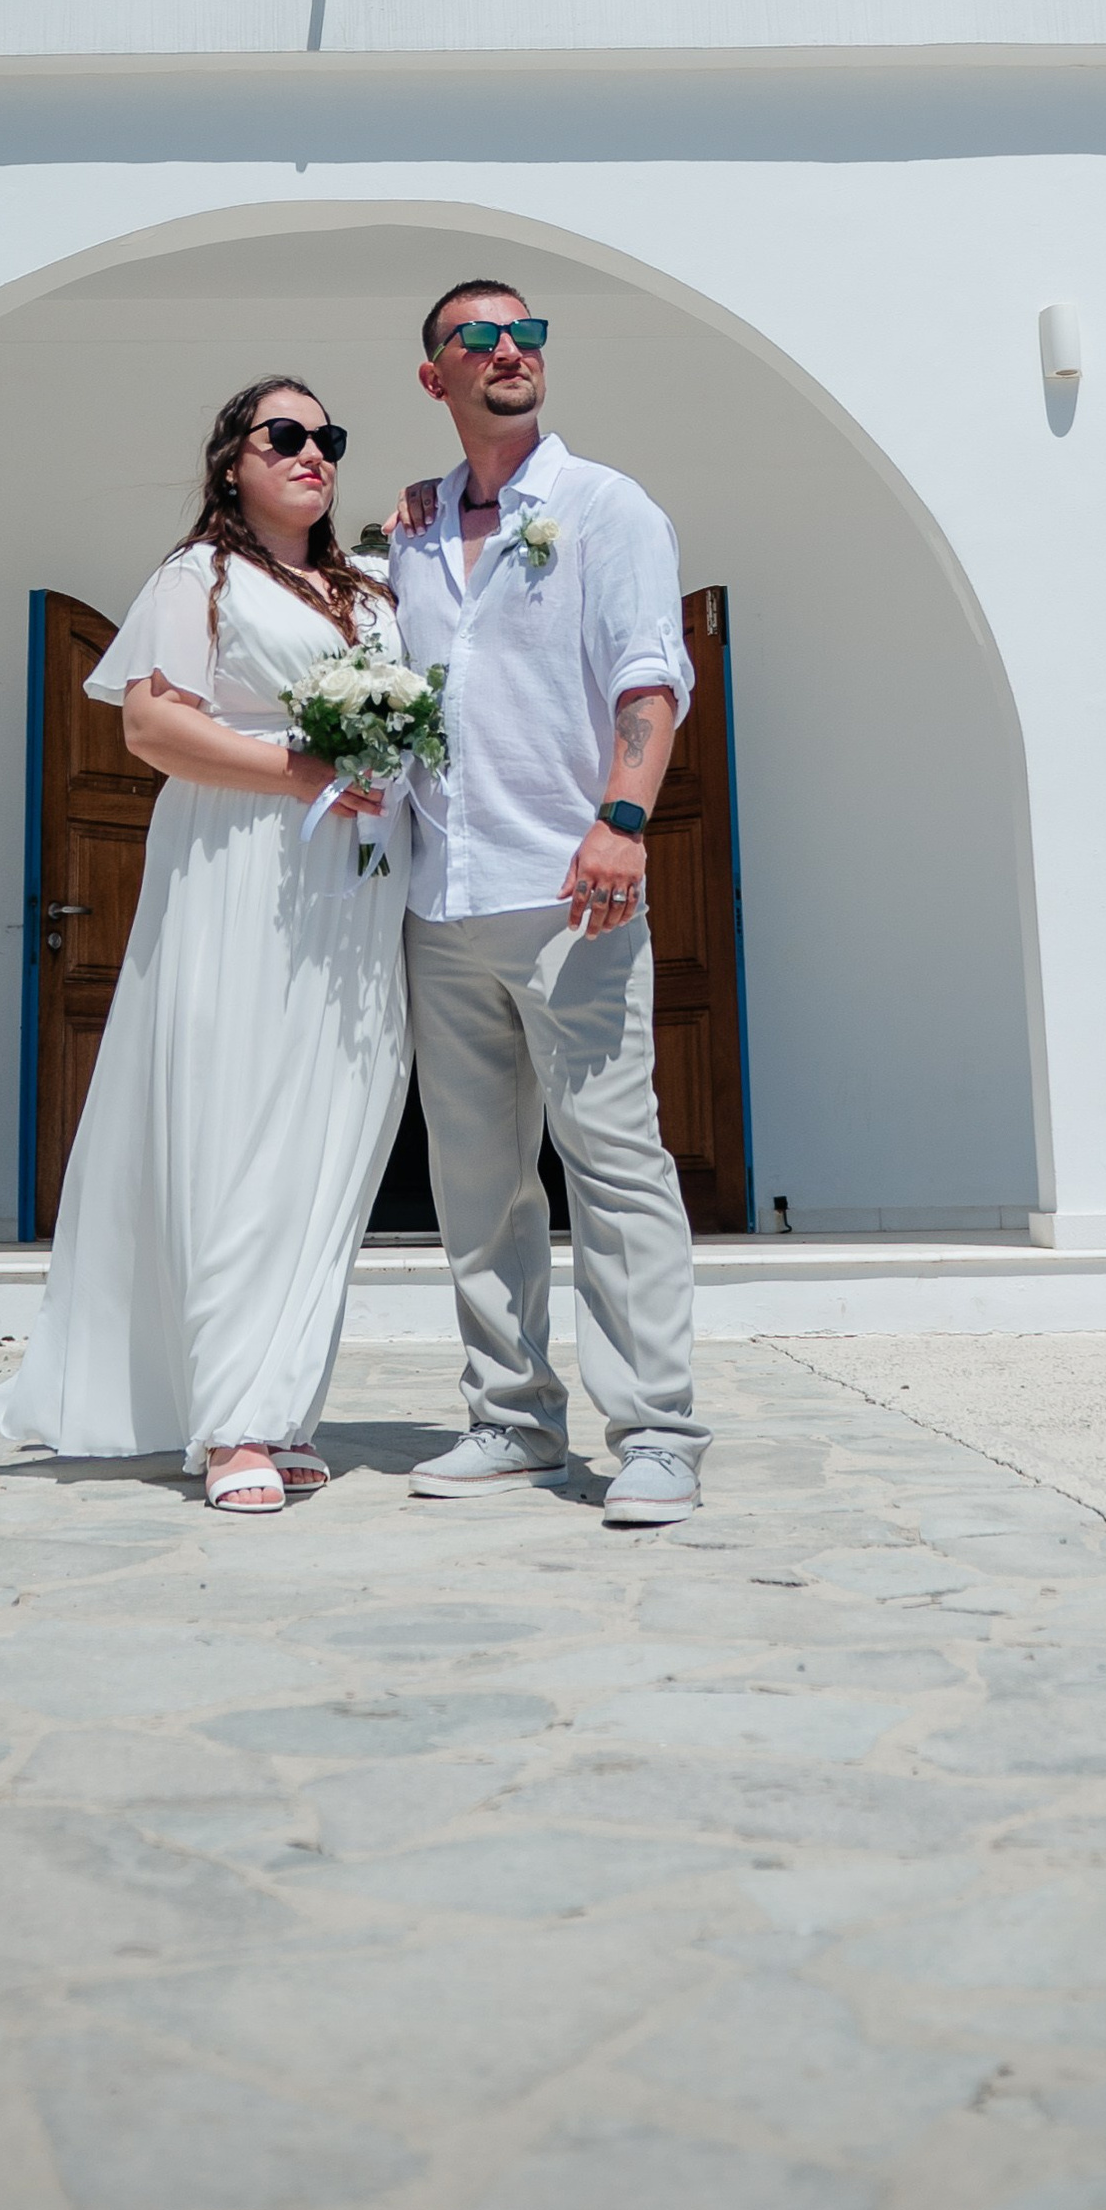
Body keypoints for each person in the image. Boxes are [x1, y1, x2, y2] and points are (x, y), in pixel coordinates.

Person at [0, 379, 409, 1515]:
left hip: (355, 887)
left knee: (333, 1131)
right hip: (242, 868)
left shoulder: (370, 589)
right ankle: (228, 1425)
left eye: (329, 438)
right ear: (233, 461)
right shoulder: (198, 578)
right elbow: (150, 724)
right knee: (238, 1121)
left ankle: (281, 1401)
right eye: (286, 435)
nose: (312, 452)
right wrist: (305, 771)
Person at [388, 279, 709, 1528]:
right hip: (442, 899)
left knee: (615, 1165)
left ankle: (658, 1433)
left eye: (528, 334)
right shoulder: (411, 534)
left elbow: (649, 674)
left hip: (573, 895)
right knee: (478, 1183)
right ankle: (511, 1418)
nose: (510, 351)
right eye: (479, 337)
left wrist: (624, 817)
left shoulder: (603, 508)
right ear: (436, 376)